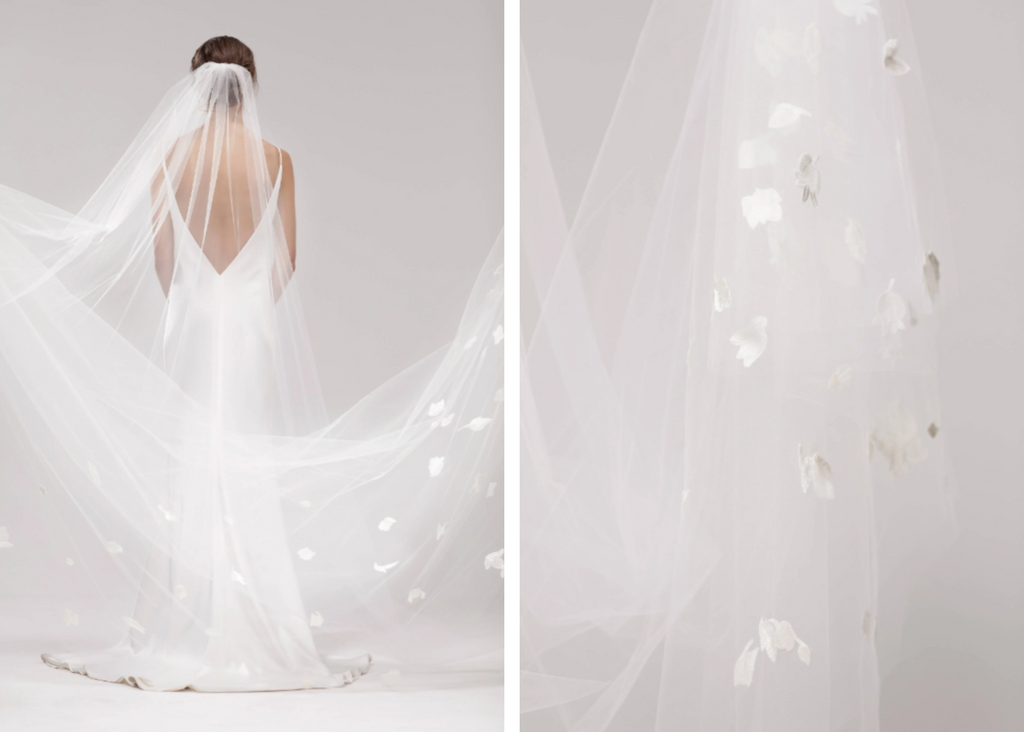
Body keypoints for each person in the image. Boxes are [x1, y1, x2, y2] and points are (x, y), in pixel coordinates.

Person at [0, 36, 503, 692]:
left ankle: (186, 621)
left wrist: (195, 306)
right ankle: (264, 626)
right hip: (249, 324)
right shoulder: (276, 160)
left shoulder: (170, 160)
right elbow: (285, 258)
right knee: (245, 460)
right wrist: (248, 304)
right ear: (250, 87)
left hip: (197, 319)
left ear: (196, 87)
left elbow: (163, 259)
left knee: (195, 461)